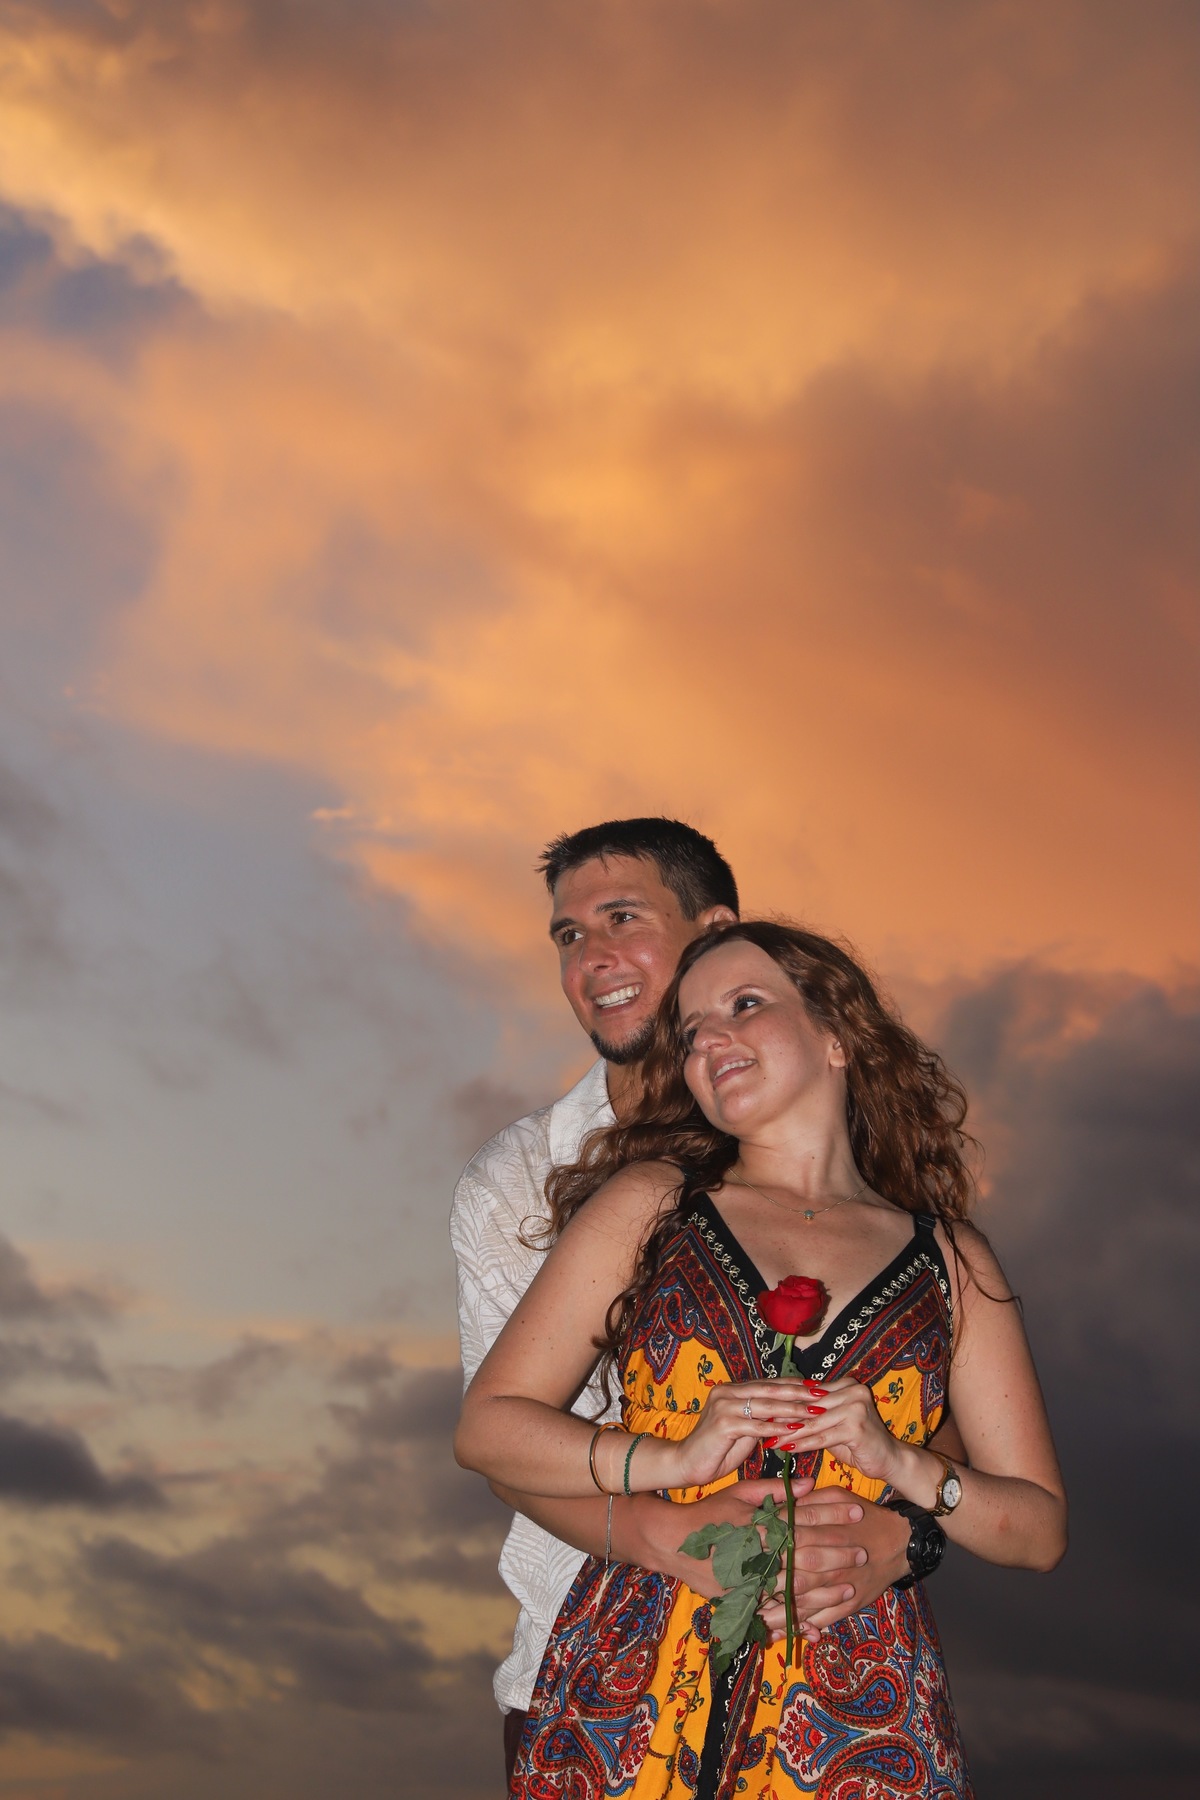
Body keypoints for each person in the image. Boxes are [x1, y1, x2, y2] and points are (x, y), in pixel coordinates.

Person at [456, 920, 1067, 1798]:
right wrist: (668, 1461)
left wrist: (902, 1466)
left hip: (857, 1720)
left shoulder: (953, 1260)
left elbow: (1039, 1530)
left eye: (744, 1005)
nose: (710, 1038)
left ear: (837, 1034)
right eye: (690, 1031)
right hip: (633, 1695)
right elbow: (487, 1430)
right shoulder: (651, 1204)